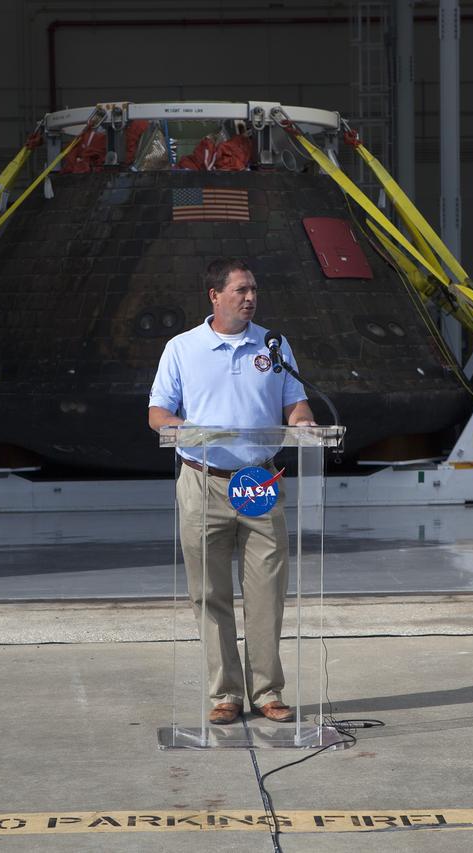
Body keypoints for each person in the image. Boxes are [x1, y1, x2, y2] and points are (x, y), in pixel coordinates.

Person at [148, 258, 317, 725]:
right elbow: (158, 414)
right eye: (241, 289)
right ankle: (225, 694)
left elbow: (295, 404)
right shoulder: (182, 349)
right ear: (214, 295)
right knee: (210, 593)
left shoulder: (273, 345)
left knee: (266, 592)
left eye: (254, 290)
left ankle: (267, 692)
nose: (250, 297)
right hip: (203, 480)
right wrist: (190, 429)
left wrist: (303, 424)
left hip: (259, 481)